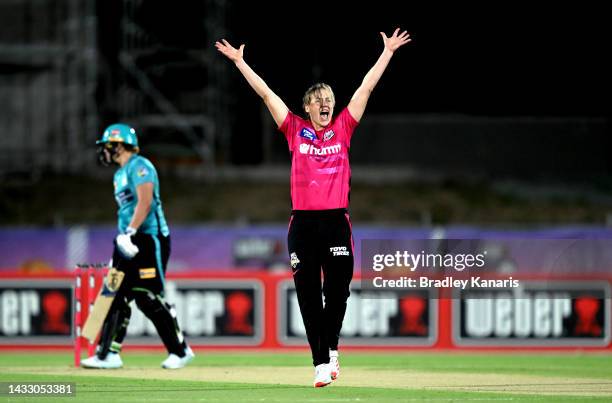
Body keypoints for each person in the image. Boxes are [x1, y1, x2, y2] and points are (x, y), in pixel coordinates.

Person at [216, 28, 411, 387]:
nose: (326, 103)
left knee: (337, 291)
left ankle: (332, 348)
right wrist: (241, 63)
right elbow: (265, 93)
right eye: (318, 99)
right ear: (307, 107)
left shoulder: (344, 129)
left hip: (337, 222)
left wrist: (387, 53)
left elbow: (365, 88)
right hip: (303, 225)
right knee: (307, 295)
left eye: (329, 99)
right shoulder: (294, 128)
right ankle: (321, 362)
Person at [81, 123, 194, 369]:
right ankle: (108, 354)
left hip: (149, 238)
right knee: (115, 294)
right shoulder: (118, 174)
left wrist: (130, 232)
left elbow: (145, 203)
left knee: (147, 295)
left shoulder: (140, 166)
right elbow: (127, 210)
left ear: (118, 145)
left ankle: (180, 350)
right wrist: (122, 241)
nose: (104, 152)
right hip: (127, 239)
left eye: (107, 146)